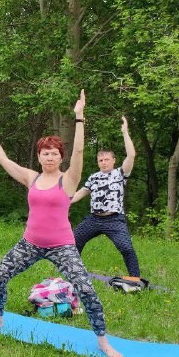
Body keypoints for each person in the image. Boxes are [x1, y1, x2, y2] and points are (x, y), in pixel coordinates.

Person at [0, 91, 122, 357]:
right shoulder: (31, 177)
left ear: (60, 157)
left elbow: (78, 151)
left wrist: (79, 117)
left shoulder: (69, 180)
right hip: (29, 244)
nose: (49, 157)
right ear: (39, 156)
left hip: (62, 246)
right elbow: (3, 161)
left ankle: (102, 341)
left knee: (86, 289)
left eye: (53, 153)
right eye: (44, 153)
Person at [71, 116, 141, 279]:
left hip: (114, 220)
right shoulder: (94, 177)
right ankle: (75, 273)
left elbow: (131, 156)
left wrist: (125, 133)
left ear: (113, 160)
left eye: (106, 159)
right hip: (94, 219)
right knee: (73, 242)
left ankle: (135, 279)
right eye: (100, 160)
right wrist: (65, 201)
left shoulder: (120, 173)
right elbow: (82, 192)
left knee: (126, 248)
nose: (103, 162)